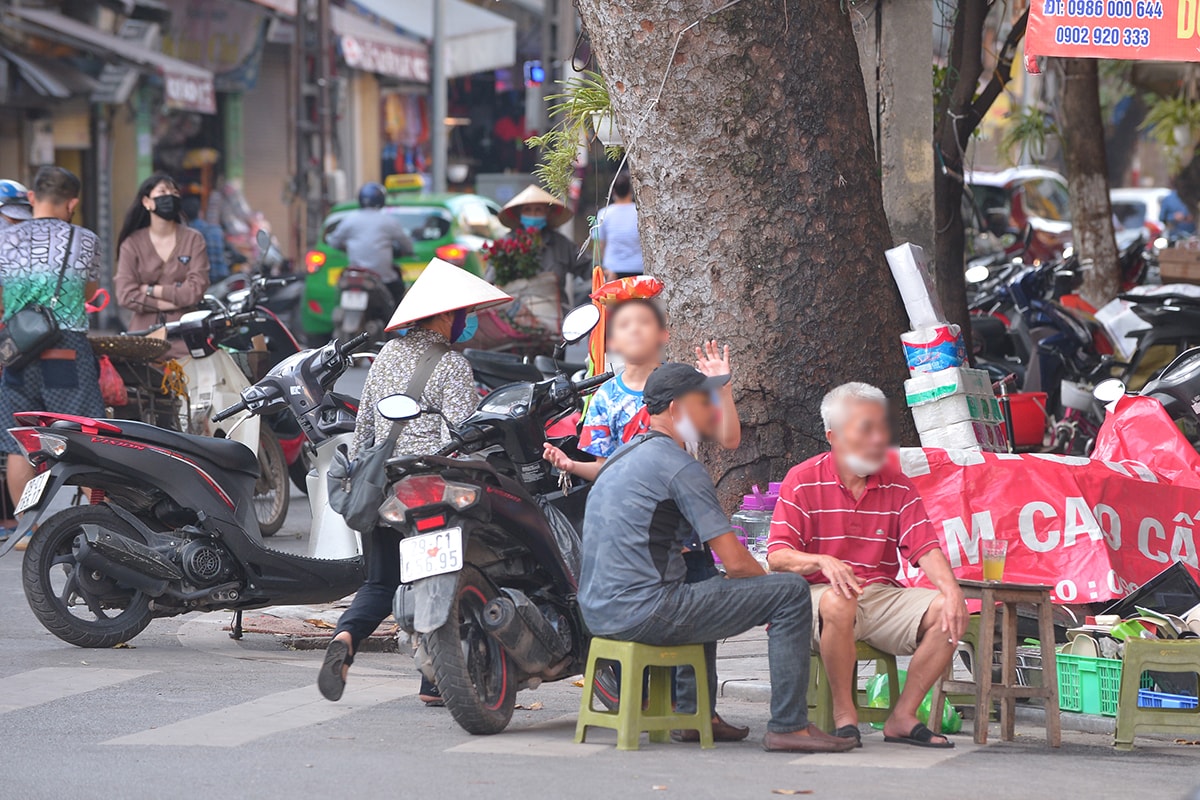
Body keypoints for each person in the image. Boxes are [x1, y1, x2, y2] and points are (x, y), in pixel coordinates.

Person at [579, 362, 855, 753]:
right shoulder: (679, 466)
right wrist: (770, 588)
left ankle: (697, 715)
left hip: (596, 611)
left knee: (703, 579)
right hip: (644, 611)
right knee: (789, 593)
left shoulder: (623, 456)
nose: (711, 409)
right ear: (676, 409)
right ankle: (790, 726)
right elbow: (738, 561)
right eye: (703, 401)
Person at [542, 297, 744, 737]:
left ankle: (699, 713)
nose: (633, 331)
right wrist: (573, 467)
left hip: (689, 523)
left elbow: (728, 439)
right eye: (624, 325)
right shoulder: (605, 399)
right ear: (610, 339)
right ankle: (662, 706)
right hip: (645, 534)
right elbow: (608, 470)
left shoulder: (683, 388)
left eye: (644, 323)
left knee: (702, 603)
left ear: (663, 334)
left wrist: (721, 388)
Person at [318, 258, 511, 706]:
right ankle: (433, 681)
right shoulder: (453, 366)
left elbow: (364, 427)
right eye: (463, 313)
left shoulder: (386, 356)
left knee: (382, 584)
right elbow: (457, 443)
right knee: (444, 578)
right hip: (430, 493)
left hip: (384, 489)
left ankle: (346, 637)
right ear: (446, 315)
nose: (467, 321)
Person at [767, 382, 967, 749]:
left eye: (882, 428)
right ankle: (846, 719)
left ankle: (902, 717)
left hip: (876, 596)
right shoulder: (803, 479)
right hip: (814, 599)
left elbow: (925, 546)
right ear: (834, 436)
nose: (879, 439)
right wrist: (822, 561)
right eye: (866, 428)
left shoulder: (898, 485)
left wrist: (952, 591)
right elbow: (777, 555)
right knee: (839, 600)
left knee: (950, 611)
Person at [0, 167, 103, 507]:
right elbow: (89, 291)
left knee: (19, 441)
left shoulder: (4, 239)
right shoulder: (86, 239)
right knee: (83, 437)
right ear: (72, 202)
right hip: (66, 351)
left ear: (32, 198)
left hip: (18, 349)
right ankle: (99, 523)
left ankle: (26, 530)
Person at [113, 173, 211, 359]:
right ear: (147, 202)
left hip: (186, 340)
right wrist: (172, 301)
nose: (170, 197)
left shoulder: (193, 239)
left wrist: (150, 290)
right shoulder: (132, 243)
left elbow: (195, 291)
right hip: (144, 340)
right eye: (163, 192)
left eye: (174, 192)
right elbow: (126, 295)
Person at [497, 184, 589, 304]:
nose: (533, 215)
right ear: (519, 215)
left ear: (547, 213)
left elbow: (587, 267)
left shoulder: (562, 244)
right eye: (527, 210)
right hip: (514, 313)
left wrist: (606, 274)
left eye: (538, 210)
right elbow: (491, 282)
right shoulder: (506, 244)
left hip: (556, 313)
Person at [324, 182, 413, 304]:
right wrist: (407, 251)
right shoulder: (388, 221)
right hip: (382, 276)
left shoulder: (350, 219)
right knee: (398, 290)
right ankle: (394, 322)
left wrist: (345, 247)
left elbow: (333, 242)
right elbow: (406, 244)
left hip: (354, 273)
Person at [596, 171, 643, 278]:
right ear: (631, 190)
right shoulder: (640, 212)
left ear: (612, 192)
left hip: (612, 269)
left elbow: (600, 245)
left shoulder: (604, 213)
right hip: (639, 268)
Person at [181, 194, 231, 281]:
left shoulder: (182, 235)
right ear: (200, 212)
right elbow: (231, 251)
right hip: (220, 280)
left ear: (183, 216)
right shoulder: (215, 230)